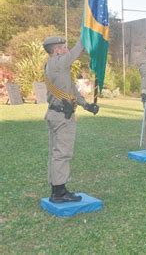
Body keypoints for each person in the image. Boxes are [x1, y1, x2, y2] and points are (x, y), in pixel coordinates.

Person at [43, 36, 99, 203]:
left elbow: (72, 91)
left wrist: (86, 105)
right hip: (62, 116)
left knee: (57, 153)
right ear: (57, 50)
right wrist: (86, 32)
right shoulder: (57, 62)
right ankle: (59, 193)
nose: (67, 49)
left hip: (58, 113)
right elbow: (76, 51)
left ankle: (57, 188)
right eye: (63, 46)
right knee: (62, 154)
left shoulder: (59, 67)